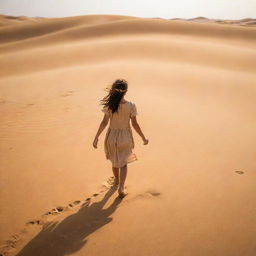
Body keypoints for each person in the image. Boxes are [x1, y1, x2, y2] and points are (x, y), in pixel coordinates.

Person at [93, 79, 149, 199]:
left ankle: (116, 181)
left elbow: (104, 122)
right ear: (126, 91)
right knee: (123, 164)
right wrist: (143, 138)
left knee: (114, 161)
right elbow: (134, 124)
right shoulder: (131, 105)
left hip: (111, 137)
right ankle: (121, 187)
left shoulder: (110, 105)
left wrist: (96, 137)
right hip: (125, 137)